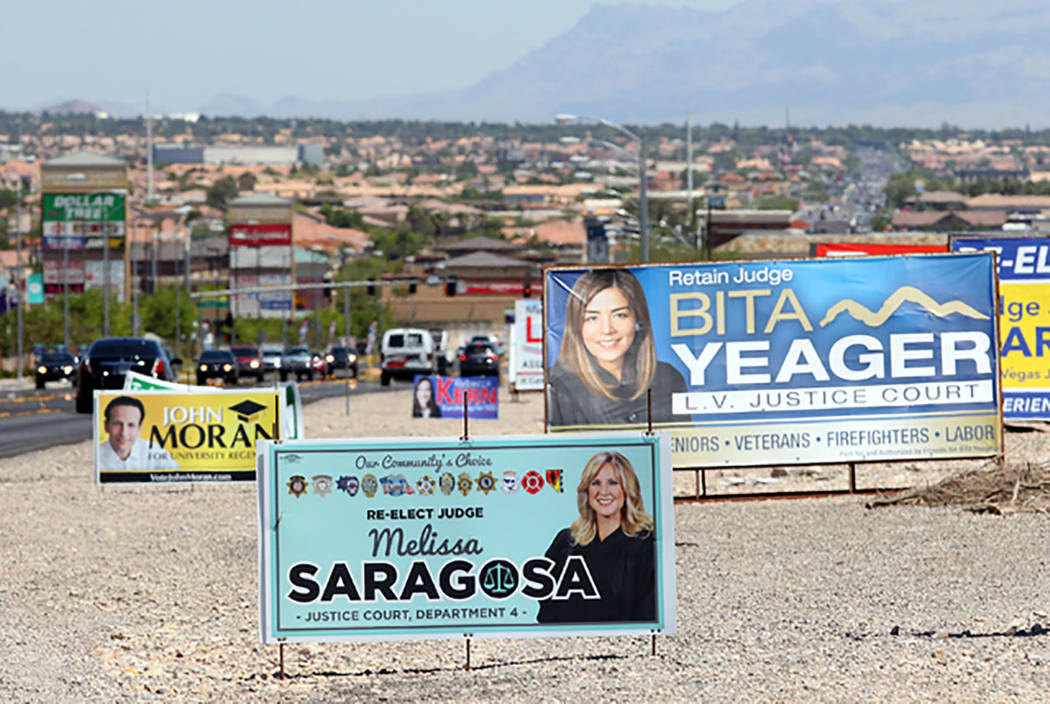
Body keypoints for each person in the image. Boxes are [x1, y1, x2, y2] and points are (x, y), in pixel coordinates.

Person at [548, 268, 687, 428]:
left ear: (638, 319)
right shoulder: (557, 386)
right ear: (577, 325)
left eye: (619, 315)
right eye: (592, 318)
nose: (607, 329)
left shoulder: (669, 379)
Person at [537, 451, 656, 623]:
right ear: (586, 490)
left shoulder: (646, 543)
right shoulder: (567, 541)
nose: (604, 492)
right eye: (596, 483)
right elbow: (547, 601)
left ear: (627, 488)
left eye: (613, 483)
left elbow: (649, 609)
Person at [98, 396, 180, 471]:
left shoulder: (154, 451)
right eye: (118, 423)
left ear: (139, 429)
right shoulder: (94, 457)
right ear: (106, 426)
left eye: (131, 425)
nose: (124, 433)